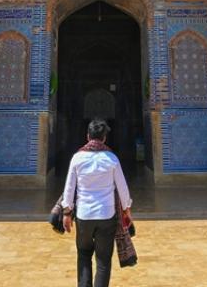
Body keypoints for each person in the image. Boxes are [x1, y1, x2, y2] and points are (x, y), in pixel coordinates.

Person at [61, 118, 132, 287]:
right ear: (104, 138)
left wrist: (66, 213)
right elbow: (122, 188)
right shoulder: (111, 159)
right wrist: (127, 209)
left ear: (87, 136)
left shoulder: (77, 158)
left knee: (84, 255)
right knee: (103, 260)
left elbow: (69, 188)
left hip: (84, 216)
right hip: (107, 215)